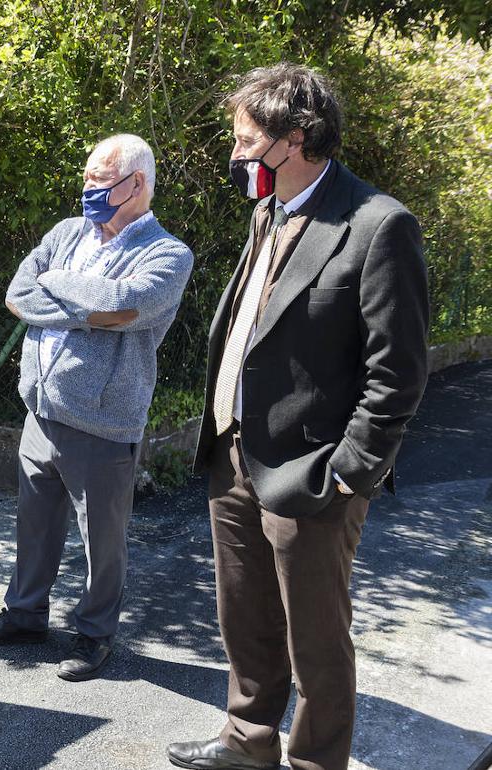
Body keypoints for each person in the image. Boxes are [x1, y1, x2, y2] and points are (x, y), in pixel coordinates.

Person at [166, 64, 429, 770]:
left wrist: (349, 475)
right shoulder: (267, 212)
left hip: (314, 474)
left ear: (299, 138)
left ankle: (315, 762)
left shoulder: (378, 225)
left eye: (248, 141)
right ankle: (247, 742)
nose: (235, 156)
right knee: (245, 620)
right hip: (234, 457)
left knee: (316, 638)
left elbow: (397, 373)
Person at [0, 134, 194, 681]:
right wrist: (85, 306)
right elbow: (19, 296)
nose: (87, 187)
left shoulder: (168, 253)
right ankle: (25, 616)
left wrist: (61, 289)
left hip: (103, 423)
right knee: (34, 524)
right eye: (87, 176)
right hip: (40, 411)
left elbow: (123, 307)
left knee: (103, 540)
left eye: (99, 178)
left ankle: (94, 635)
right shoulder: (68, 233)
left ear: (136, 184)